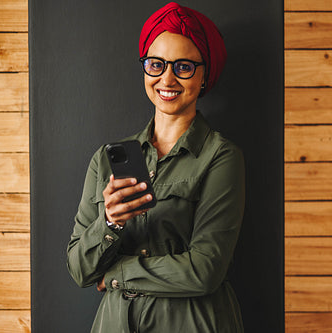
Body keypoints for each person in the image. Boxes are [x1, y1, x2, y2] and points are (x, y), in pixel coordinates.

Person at [67, 2, 245, 332]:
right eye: (156, 64)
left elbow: (205, 270)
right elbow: (79, 270)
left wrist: (117, 273)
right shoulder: (105, 160)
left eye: (184, 67)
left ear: (204, 75)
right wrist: (110, 221)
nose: (167, 78)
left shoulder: (221, 156)